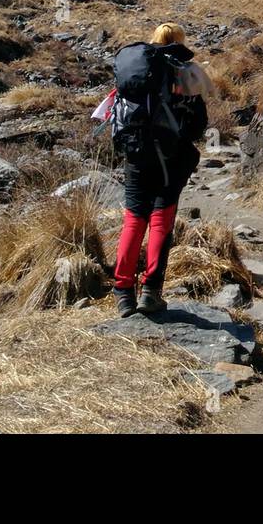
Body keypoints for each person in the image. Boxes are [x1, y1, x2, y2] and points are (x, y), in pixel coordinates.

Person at [100, 23, 212, 317]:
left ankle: (123, 292)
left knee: (134, 220)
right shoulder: (183, 73)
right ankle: (151, 291)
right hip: (171, 157)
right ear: (179, 42)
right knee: (161, 221)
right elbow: (199, 124)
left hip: (135, 153)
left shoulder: (137, 71)